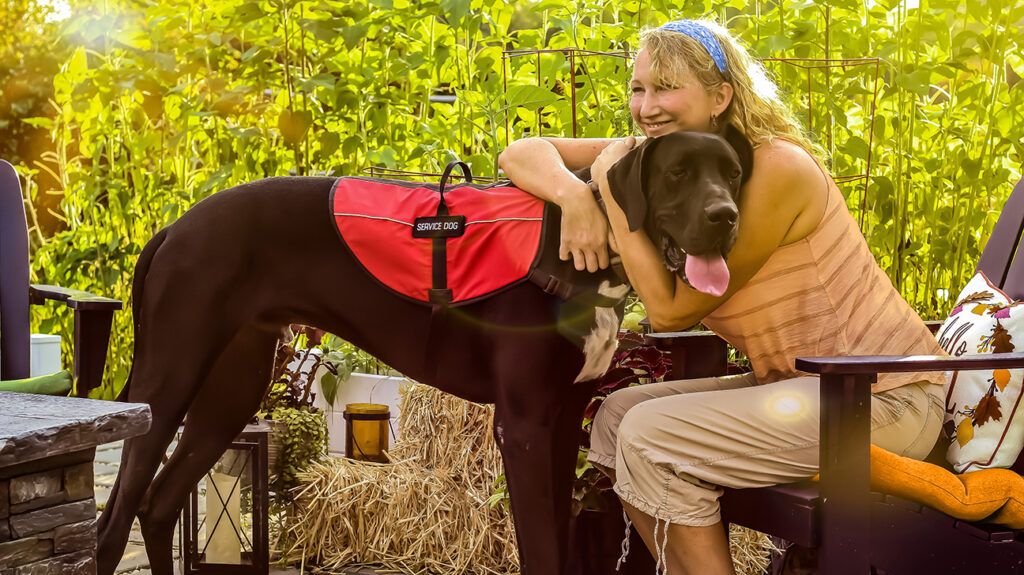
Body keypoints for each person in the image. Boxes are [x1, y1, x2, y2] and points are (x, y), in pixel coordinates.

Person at [497, 19, 946, 575]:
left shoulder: (777, 169)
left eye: (666, 87)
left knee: (651, 435)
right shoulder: (666, 158)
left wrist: (613, 195)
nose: (647, 106)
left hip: (885, 400)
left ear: (720, 96)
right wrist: (574, 197)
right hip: (807, 389)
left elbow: (670, 311)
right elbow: (521, 152)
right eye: (638, 89)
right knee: (617, 416)